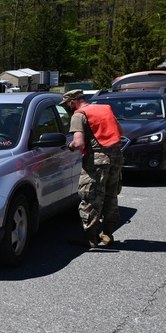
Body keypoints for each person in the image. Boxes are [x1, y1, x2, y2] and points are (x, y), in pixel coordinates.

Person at [63, 89, 123, 248]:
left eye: (68, 104)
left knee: (90, 196)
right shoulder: (105, 109)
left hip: (96, 159)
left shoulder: (79, 114)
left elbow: (79, 143)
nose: (69, 107)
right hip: (116, 156)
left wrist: (70, 146)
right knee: (111, 194)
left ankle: (89, 238)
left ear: (72, 102)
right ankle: (108, 234)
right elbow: (120, 132)